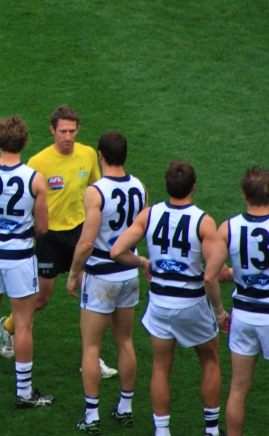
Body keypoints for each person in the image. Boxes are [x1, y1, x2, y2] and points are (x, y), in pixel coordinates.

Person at [0, 105, 115, 378]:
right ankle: (8, 328)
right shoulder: (38, 162)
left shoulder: (87, 155)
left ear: (78, 130)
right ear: (52, 130)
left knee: (92, 299)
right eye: (62, 131)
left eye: (72, 131)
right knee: (40, 298)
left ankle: (92, 357)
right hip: (49, 238)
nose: (67, 137)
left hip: (79, 234)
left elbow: (98, 190)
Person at [111, 161, 226, 436]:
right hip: (192, 303)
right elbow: (214, 272)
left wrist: (142, 262)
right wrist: (225, 300)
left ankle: (162, 431)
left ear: (167, 186)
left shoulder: (149, 215)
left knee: (161, 367)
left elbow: (116, 251)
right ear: (194, 186)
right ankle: (211, 430)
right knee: (210, 361)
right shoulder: (203, 221)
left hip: (160, 304)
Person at [0, 115, 53, 407]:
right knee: (24, 325)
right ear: (24, 141)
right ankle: (25, 393)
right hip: (20, 258)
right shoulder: (35, 179)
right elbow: (42, 228)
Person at [66, 131, 147, 433]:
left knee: (91, 348)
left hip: (100, 277)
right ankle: (125, 407)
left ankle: (92, 415)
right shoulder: (140, 187)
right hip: (129, 275)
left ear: (100, 154)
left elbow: (87, 243)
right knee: (125, 341)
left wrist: (74, 275)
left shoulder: (95, 192)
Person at [204, 167, 268, 436]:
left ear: (244, 194)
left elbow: (211, 277)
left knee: (238, 390)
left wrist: (220, 313)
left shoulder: (229, 227)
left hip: (242, 314)